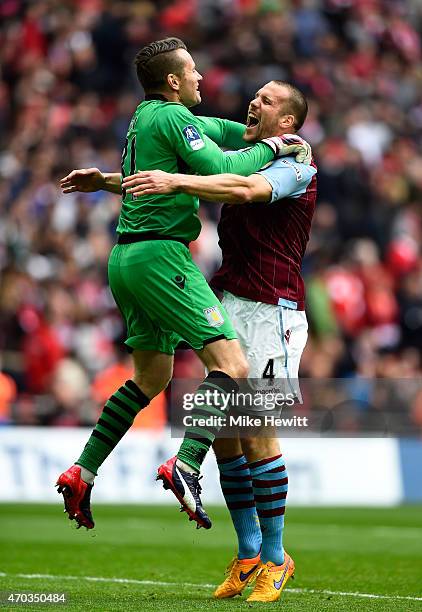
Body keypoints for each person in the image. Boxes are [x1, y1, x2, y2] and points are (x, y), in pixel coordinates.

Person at [56, 38, 311, 535]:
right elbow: (224, 169)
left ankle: (82, 471)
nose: (201, 77)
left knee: (150, 378)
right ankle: (187, 464)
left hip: (126, 257)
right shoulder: (174, 118)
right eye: (193, 70)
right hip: (161, 256)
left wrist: (272, 136)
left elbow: (225, 133)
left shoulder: (146, 118)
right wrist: (275, 145)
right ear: (173, 81)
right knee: (232, 367)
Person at [122, 79, 317, 603]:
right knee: (226, 435)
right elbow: (211, 167)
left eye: (268, 101)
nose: (254, 102)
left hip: (272, 312)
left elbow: (243, 189)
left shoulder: (297, 167)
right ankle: (249, 552)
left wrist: (176, 182)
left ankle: (277, 559)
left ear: (288, 125)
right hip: (230, 299)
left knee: (255, 433)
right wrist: (109, 182)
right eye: (256, 95)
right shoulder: (253, 152)